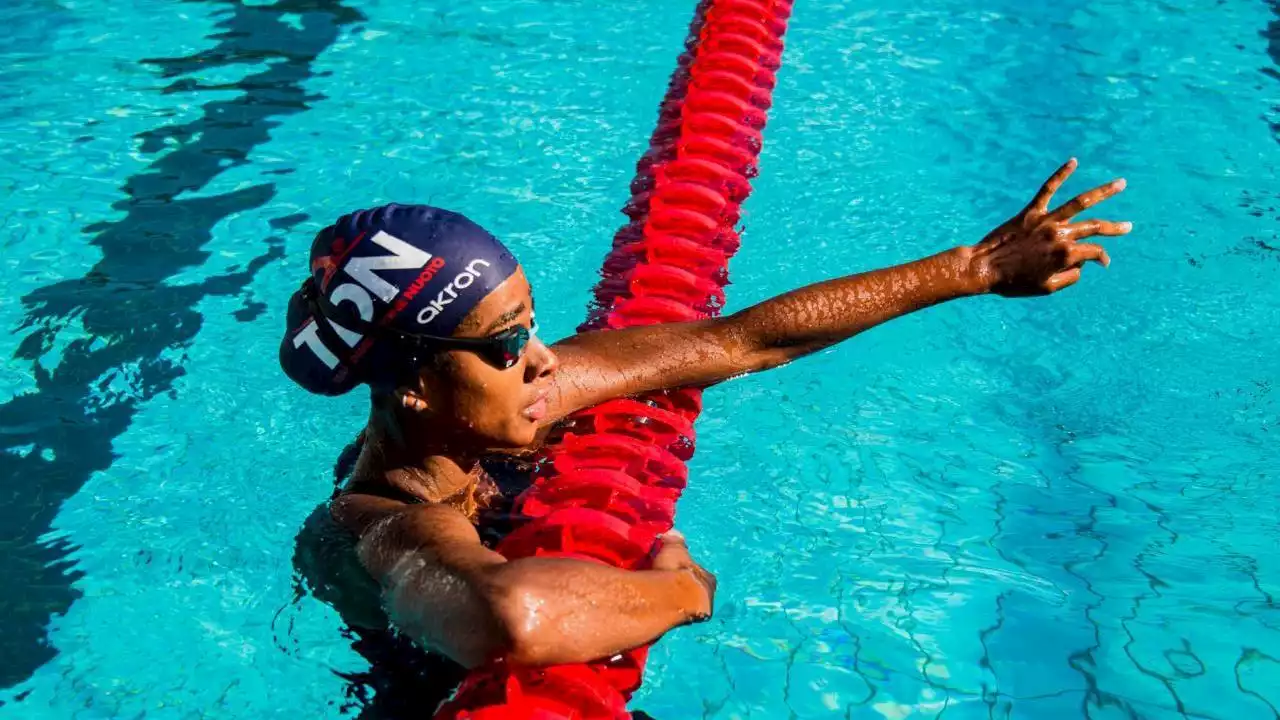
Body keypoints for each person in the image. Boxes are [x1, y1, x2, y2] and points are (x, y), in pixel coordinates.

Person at [285, 159, 1129, 710]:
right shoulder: (382, 524)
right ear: (421, 387)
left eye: (533, 325)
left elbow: (737, 342)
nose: (545, 360)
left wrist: (973, 269)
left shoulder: (512, 401)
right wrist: (680, 594)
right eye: (507, 346)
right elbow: (511, 620)